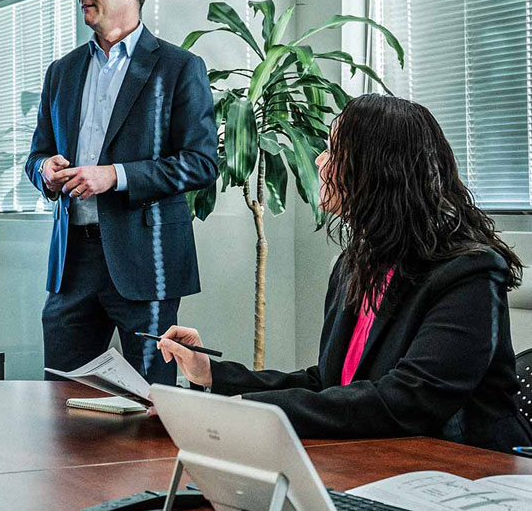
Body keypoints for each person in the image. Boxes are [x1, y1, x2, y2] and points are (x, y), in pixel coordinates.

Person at [158, 94, 530, 454]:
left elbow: (410, 400)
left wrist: (248, 410)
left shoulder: (469, 273)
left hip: (465, 469)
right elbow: (330, 382)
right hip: (378, 457)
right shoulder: (357, 264)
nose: (320, 161)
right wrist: (212, 375)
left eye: (334, 150)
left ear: (379, 168)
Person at [24, 0, 218, 386]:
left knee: (151, 405)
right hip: (72, 265)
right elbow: (36, 154)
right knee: (62, 406)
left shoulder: (179, 67)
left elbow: (201, 163)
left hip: (144, 264)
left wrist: (115, 176)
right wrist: (45, 171)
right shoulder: (62, 72)